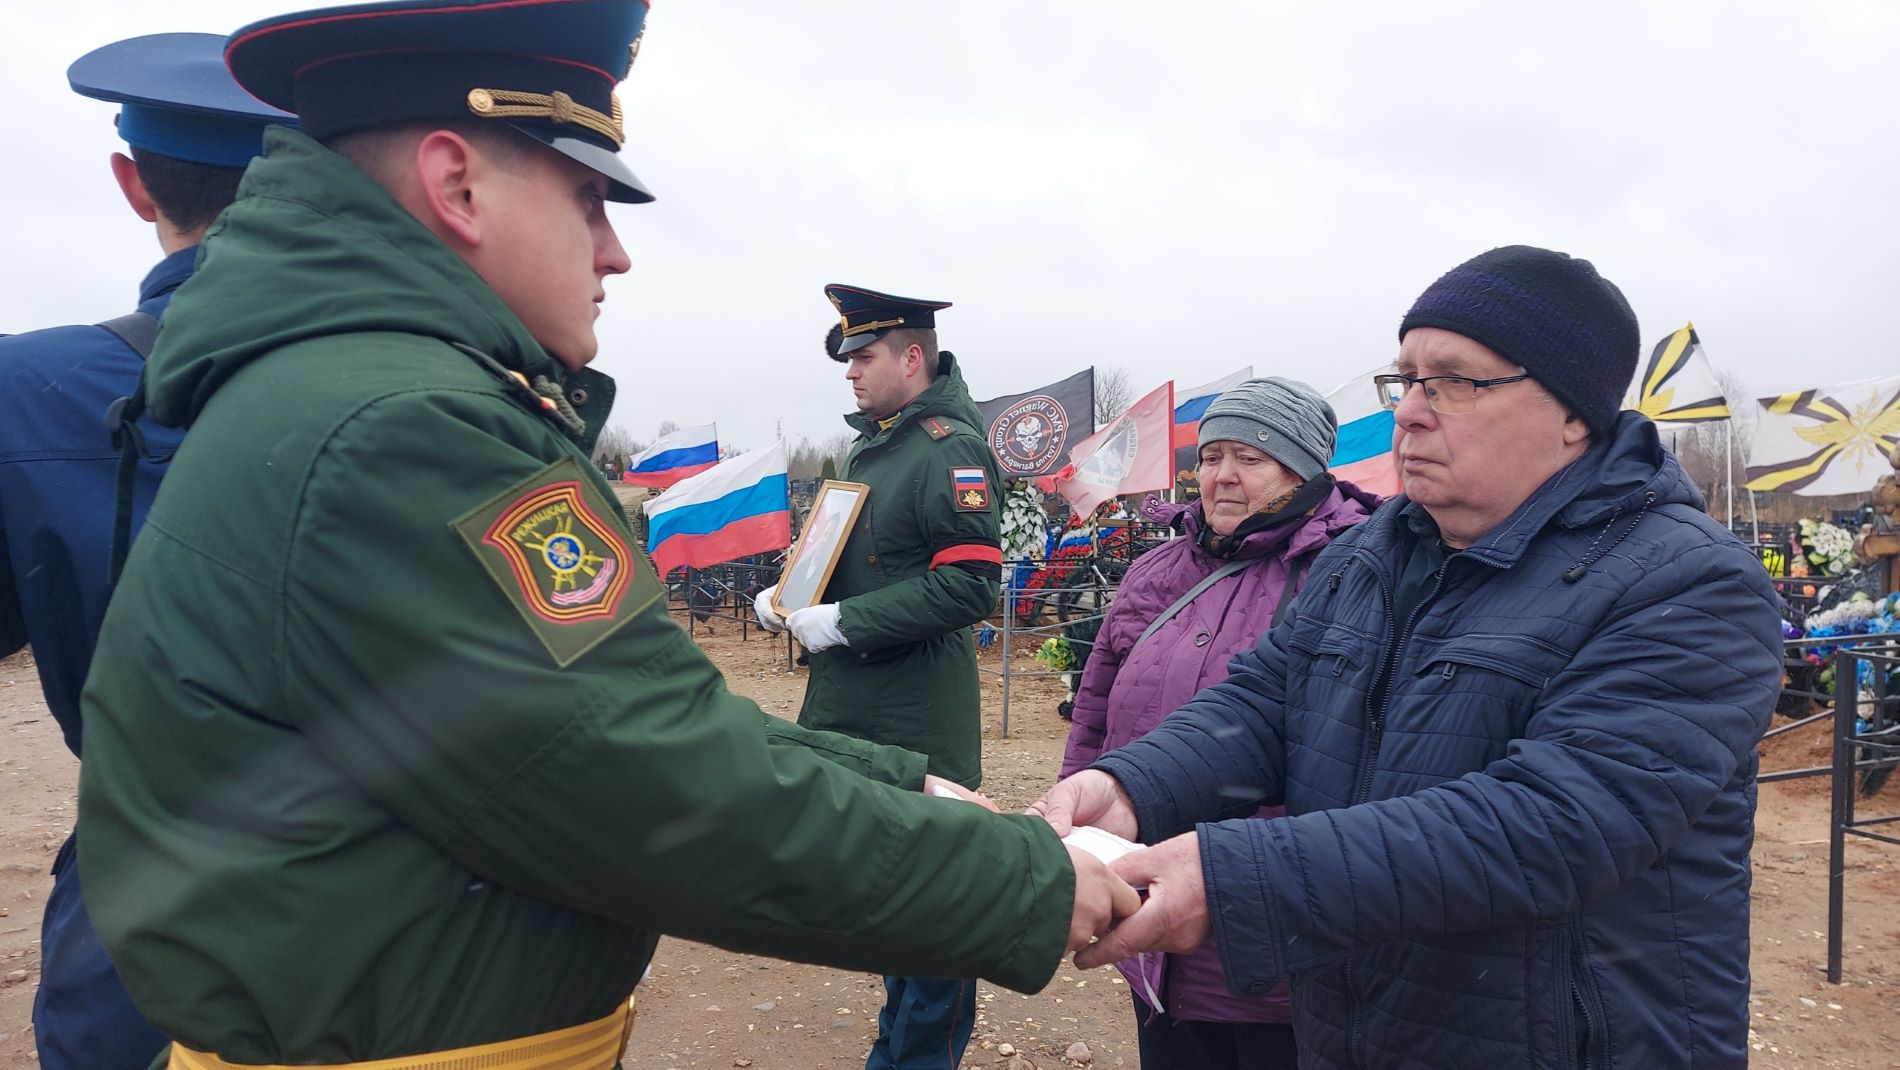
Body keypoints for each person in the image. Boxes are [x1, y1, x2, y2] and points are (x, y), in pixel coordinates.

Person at [74, 3, 1136, 1066]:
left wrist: (897, 783)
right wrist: (1025, 879)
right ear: (455, 185)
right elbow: (637, 773)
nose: (616, 252)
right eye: (588, 200)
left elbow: (602, 716)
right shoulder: (408, 426)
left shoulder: (360, 388)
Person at [1033, 245, 1783, 1068]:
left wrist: (1237, 875)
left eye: (1455, 383)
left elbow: (1553, 825)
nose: (1411, 413)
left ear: (1573, 412)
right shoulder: (1376, 552)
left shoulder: (1685, 581)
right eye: (1408, 381)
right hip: (1360, 1024)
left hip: (1566, 1040)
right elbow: (1267, 703)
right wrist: (1133, 786)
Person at [0, 33, 291, 1070]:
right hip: (410, 927)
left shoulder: (22, 390)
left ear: (133, 182)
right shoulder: (465, 377)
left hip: (141, 920)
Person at [1059, 377, 1378, 1069]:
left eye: (1251, 458)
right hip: (1149, 911)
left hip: (1285, 935)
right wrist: (1080, 829)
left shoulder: (1360, 570)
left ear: (1305, 470)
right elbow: (1095, 719)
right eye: (1210, 457)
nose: (1222, 476)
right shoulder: (1154, 573)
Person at [755, 284, 1005, 1070]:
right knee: (893, 906)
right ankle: (897, 1052)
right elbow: (854, 559)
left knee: (933, 909)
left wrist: (846, 622)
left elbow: (970, 584)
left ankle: (917, 1058)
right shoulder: (876, 445)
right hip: (859, 705)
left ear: (911, 357)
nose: (851, 373)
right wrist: (790, 596)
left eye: (864, 356)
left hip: (915, 715)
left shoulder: (947, 448)